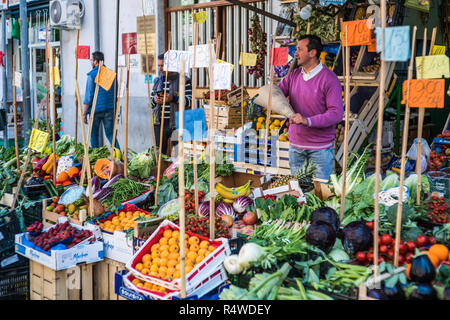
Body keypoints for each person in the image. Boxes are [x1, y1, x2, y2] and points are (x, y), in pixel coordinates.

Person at [278, 35, 344, 180]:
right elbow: (277, 94)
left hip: (320, 150)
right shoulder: (293, 76)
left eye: (299, 49)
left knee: (321, 195)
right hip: (296, 147)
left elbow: (336, 114)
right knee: (299, 195)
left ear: (312, 53)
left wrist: (307, 121)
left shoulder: (329, 79)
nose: (295, 53)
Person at [151, 53, 192, 155]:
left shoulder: (184, 80)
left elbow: (189, 101)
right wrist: (155, 100)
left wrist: (173, 98)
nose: (160, 69)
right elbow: (150, 104)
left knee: (180, 154)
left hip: (178, 124)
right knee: (159, 155)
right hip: (159, 123)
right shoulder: (157, 81)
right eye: (159, 66)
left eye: (163, 65)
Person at [83, 51, 119, 149]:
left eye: (91, 60)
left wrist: (84, 113)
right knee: (111, 134)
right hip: (109, 109)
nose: (91, 62)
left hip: (95, 110)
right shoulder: (110, 74)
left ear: (95, 61)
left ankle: (96, 157)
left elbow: (88, 96)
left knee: (94, 135)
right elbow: (116, 93)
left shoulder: (92, 75)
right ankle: (119, 157)